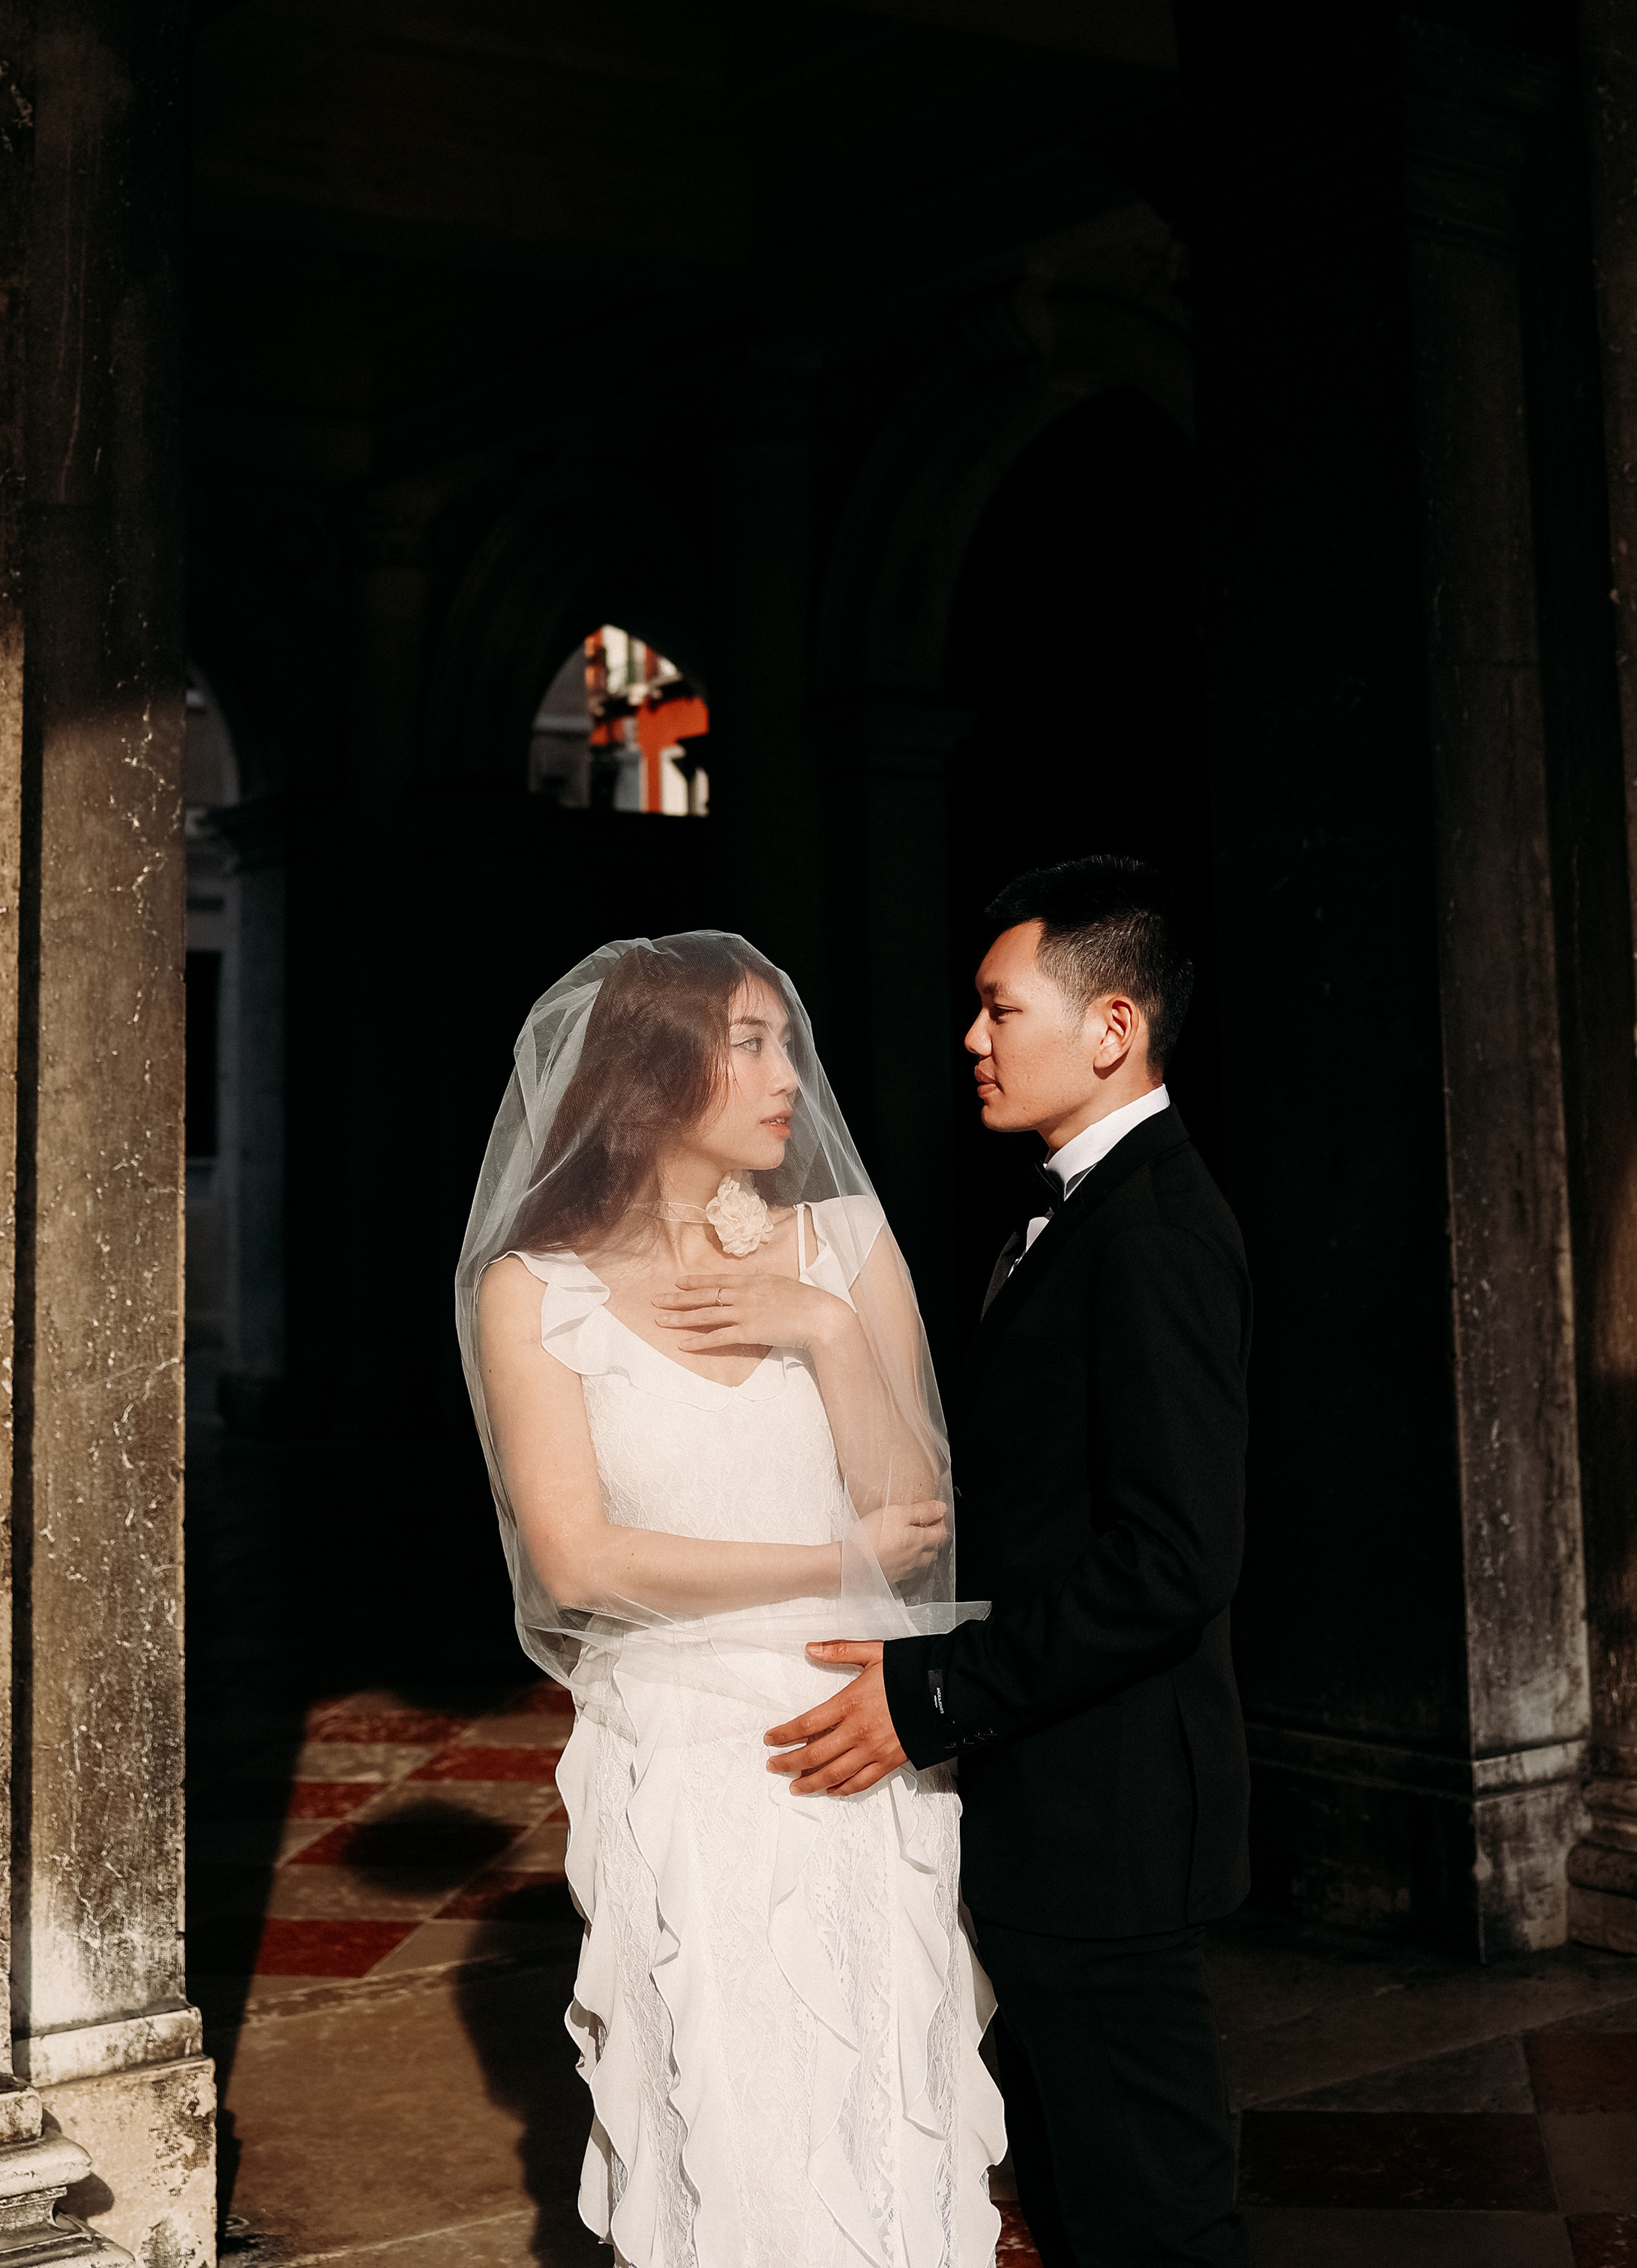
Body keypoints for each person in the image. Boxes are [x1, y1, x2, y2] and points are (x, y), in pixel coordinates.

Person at [455, 931, 1004, 2268]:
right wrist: (827, 1563)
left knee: (885, 2094)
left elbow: (916, 1506)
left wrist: (818, 1326)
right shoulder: (535, 1292)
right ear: (647, 1075)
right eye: (745, 1043)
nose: (786, 1075)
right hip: (687, 1751)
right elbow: (580, 1562)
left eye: (784, 1038)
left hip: (861, 1733)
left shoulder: (846, 1240)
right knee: (733, 2110)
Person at [766, 856, 1252, 2267]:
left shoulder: (1153, 1232)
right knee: (1081, 2202)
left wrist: (927, 1701)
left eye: (1000, 1010)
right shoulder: (1070, 1211)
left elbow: (1171, 1560)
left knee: (1156, 2218)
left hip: (1112, 1819)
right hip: (1053, 1801)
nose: (972, 1041)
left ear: (1112, 1029)